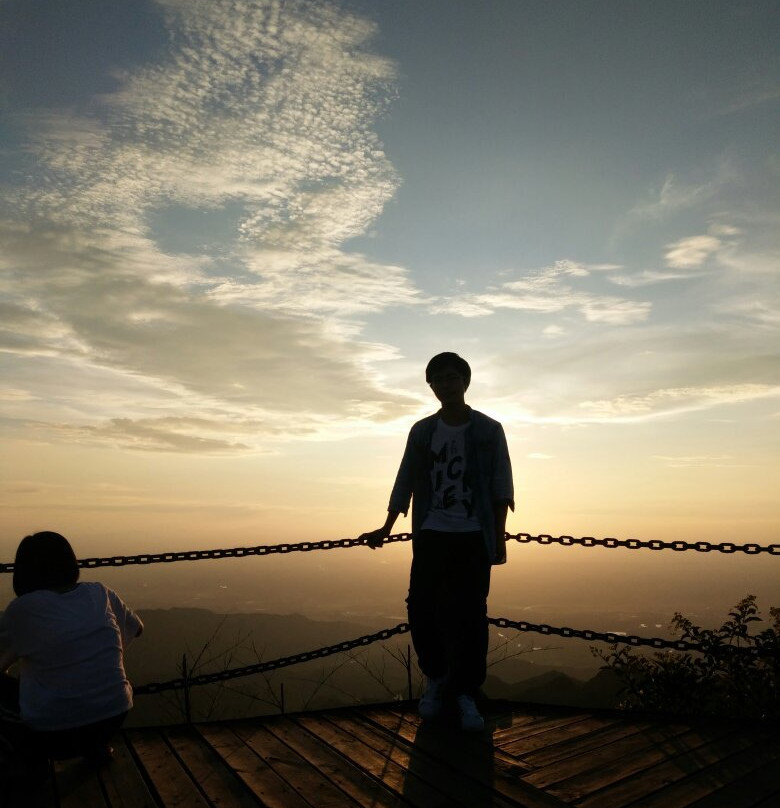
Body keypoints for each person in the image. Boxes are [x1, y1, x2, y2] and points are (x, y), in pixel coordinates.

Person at [360, 352, 514, 731]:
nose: (444, 386)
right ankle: (438, 678)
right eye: (437, 381)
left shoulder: (489, 430)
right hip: (431, 531)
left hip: (474, 534)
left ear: (465, 380)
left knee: (473, 613)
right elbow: (406, 480)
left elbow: (500, 486)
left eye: (450, 378)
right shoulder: (422, 431)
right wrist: (387, 526)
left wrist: (498, 537)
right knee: (421, 606)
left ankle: (465, 691)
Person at [0, 531, 143, 764]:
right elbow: (137, 628)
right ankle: (94, 748)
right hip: (113, 717)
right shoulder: (100, 592)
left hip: (51, 733)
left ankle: (26, 760)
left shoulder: (22, 609)